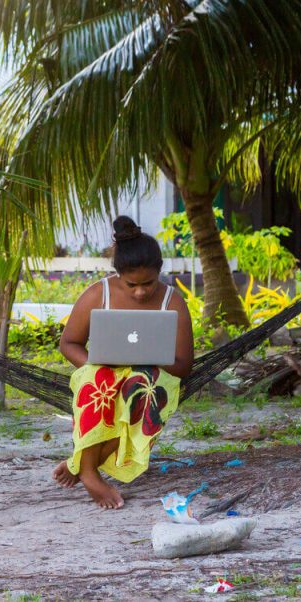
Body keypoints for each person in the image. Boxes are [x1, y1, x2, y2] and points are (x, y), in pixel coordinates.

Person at [52, 215, 194, 509]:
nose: (140, 292)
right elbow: (68, 343)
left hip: (156, 376)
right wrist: (97, 363)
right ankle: (90, 472)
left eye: (148, 284)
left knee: (141, 387)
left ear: (160, 273)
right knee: (99, 381)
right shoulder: (97, 294)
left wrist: (150, 358)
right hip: (102, 371)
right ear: (118, 275)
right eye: (132, 285)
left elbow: (184, 366)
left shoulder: (172, 302)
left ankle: (81, 463)